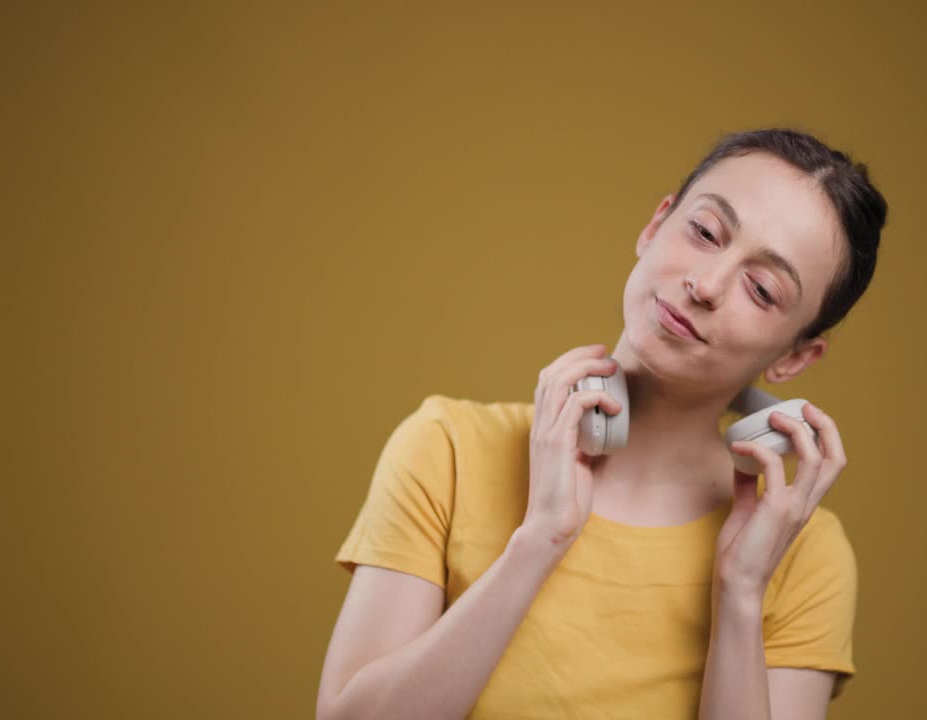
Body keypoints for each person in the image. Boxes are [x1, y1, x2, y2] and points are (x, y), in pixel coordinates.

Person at [316, 128, 889, 720]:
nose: (707, 285)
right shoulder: (447, 447)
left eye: (763, 289)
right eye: (705, 232)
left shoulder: (802, 550)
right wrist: (540, 540)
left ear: (794, 357)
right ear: (655, 224)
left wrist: (741, 594)